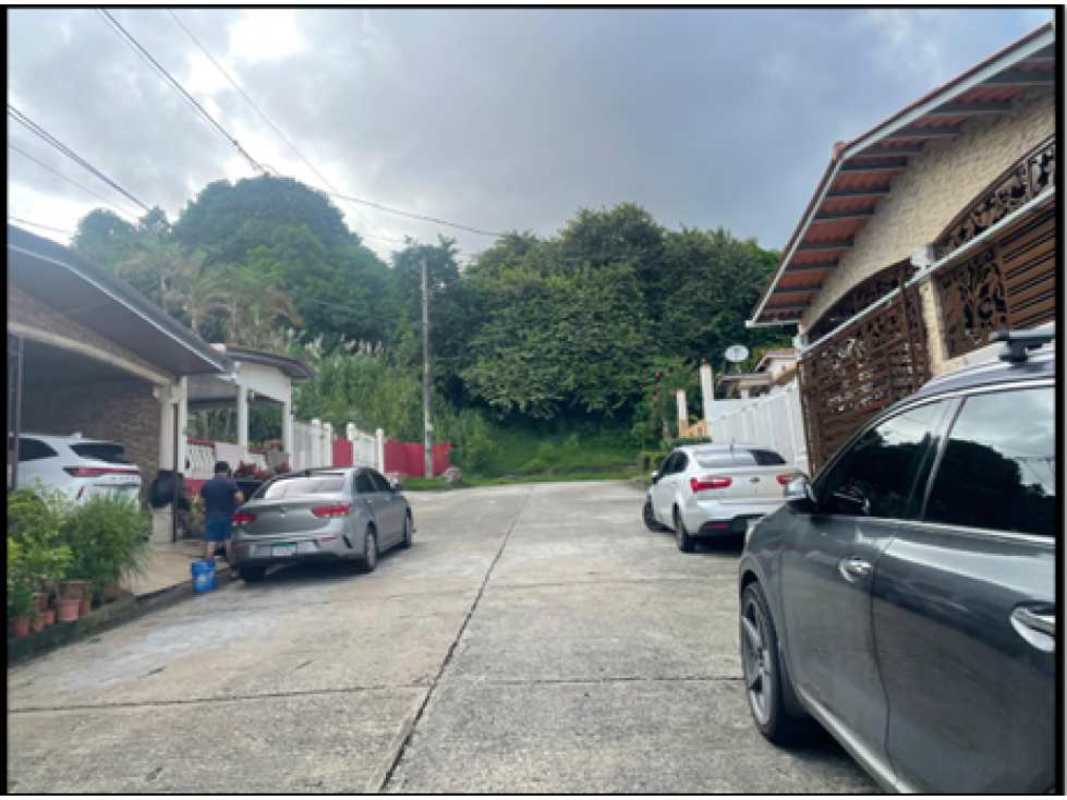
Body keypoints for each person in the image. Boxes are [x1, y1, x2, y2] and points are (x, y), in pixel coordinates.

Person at [198, 461, 244, 562]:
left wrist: (204, 511)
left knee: (211, 543)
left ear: (215, 470)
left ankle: (208, 568)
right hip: (227, 517)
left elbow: (200, 502)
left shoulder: (207, 484)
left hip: (211, 517)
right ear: (227, 470)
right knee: (228, 542)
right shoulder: (230, 483)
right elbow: (240, 498)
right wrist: (236, 505)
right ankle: (233, 569)